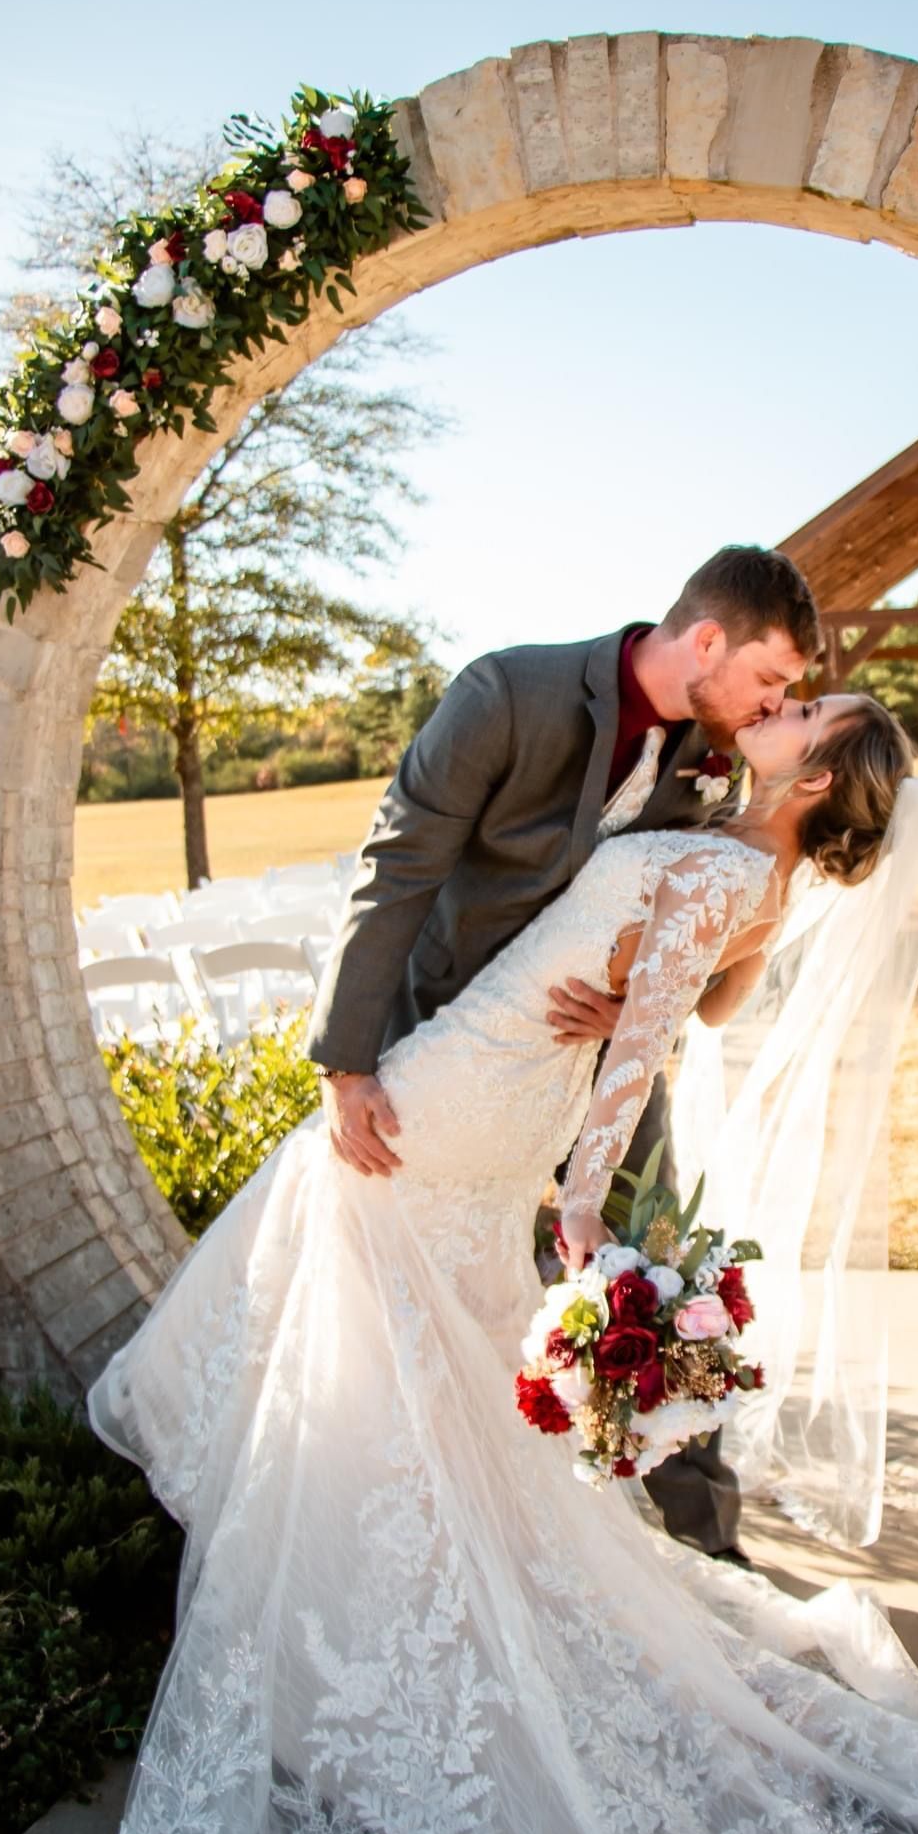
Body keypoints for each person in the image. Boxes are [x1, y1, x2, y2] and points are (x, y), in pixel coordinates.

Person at [87, 692, 918, 1834]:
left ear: (809, 780)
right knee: (412, 1351)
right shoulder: (749, 869)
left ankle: (388, 1663)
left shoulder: (720, 867)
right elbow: (704, 1002)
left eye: (806, 713)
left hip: (474, 1092)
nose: (784, 707)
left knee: (342, 1231)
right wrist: (632, 981)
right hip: (504, 1069)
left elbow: (646, 1053)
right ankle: (398, 1650)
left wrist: (584, 1203)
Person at [306, 543, 821, 1565]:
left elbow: (696, 921)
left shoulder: (719, 757)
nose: (771, 708)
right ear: (707, 641)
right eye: (769, 679)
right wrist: (346, 1059)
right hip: (465, 1049)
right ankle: (462, 1536)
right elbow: (399, 864)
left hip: (608, 1069)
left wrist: (637, 1003)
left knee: (657, 1281)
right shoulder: (507, 693)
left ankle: (693, 1552)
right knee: (458, 1309)